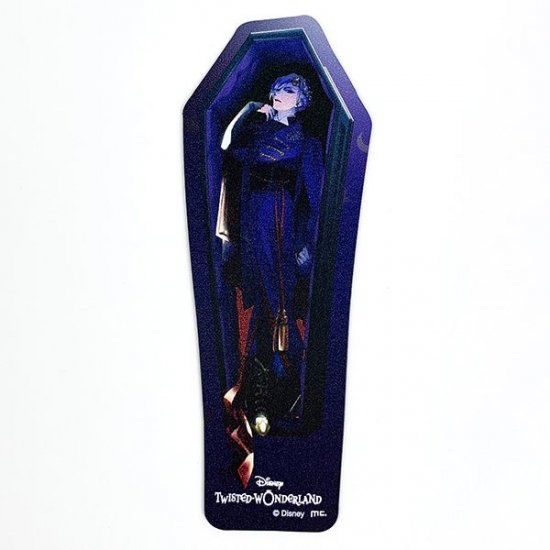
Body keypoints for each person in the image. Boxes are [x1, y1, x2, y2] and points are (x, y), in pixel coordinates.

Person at [217, 73, 324, 436]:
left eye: (289, 90)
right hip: (253, 231)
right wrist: (249, 109)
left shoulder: (306, 143)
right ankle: (261, 391)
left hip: (285, 232)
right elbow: (226, 145)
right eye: (277, 87)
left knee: (282, 305)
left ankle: (288, 387)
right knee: (261, 302)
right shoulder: (256, 135)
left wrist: (308, 244)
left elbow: (317, 201)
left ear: (301, 100)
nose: (279, 93)